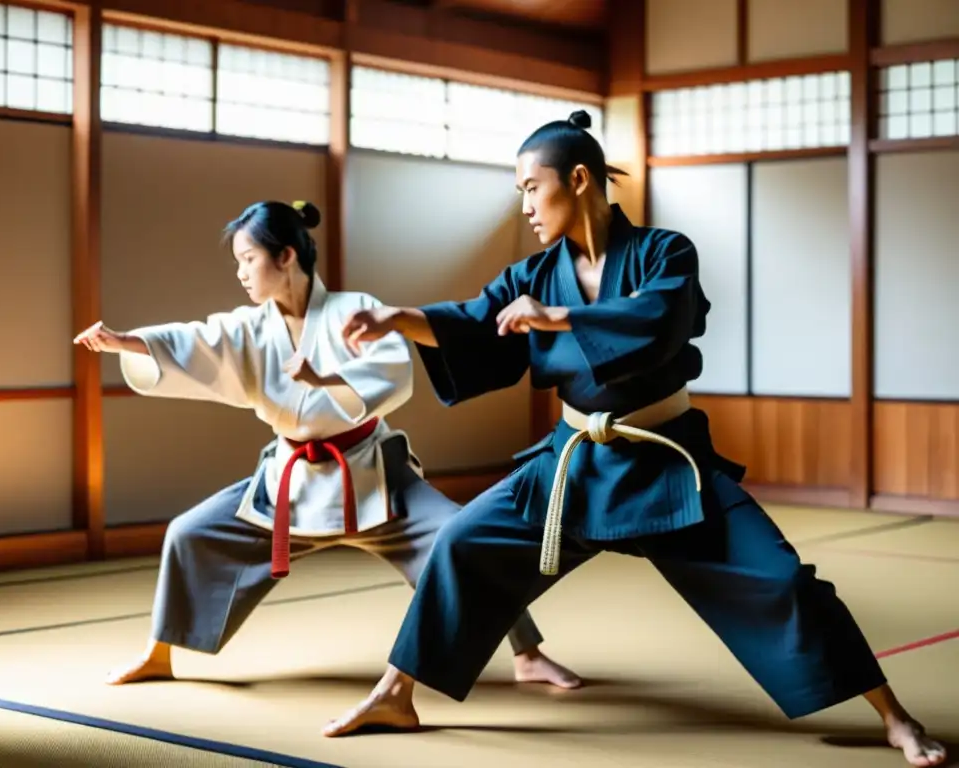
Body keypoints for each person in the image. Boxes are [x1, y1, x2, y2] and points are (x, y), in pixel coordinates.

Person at [323, 112, 947, 768]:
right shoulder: (533, 273)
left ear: (580, 178)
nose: (526, 205)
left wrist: (560, 316)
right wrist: (399, 318)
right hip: (571, 467)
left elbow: (660, 318)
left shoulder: (663, 252)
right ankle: (397, 693)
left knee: (784, 581)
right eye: (521, 193)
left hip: (665, 464)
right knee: (460, 544)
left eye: (533, 187)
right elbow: (475, 323)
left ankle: (895, 717)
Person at [72, 199, 581, 692]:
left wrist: (324, 377)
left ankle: (527, 654)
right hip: (288, 480)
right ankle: (160, 654)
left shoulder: (355, 309)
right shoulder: (251, 325)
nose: (241, 273)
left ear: (285, 256)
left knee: (460, 539)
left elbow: (391, 371)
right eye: (239, 263)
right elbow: (194, 342)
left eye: (249, 259)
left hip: (371, 475)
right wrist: (127, 342)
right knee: (190, 533)